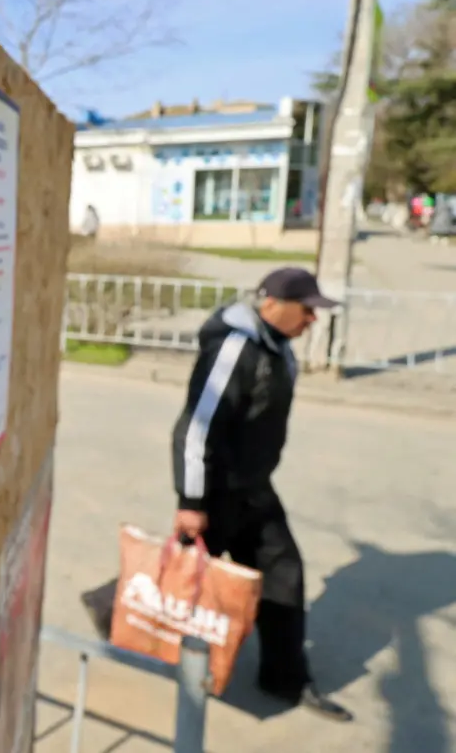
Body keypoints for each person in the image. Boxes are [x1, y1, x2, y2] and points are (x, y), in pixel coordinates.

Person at [170, 266, 352, 721]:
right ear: (271, 303)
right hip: (215, 494)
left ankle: (284, 677)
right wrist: (192, 503)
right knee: (184, 582)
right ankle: (126, 624)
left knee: (282, 573)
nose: (312, 319)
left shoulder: (279, 348)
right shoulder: (234, 349)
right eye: (306, 310)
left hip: (254, 489)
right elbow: (195, 430)